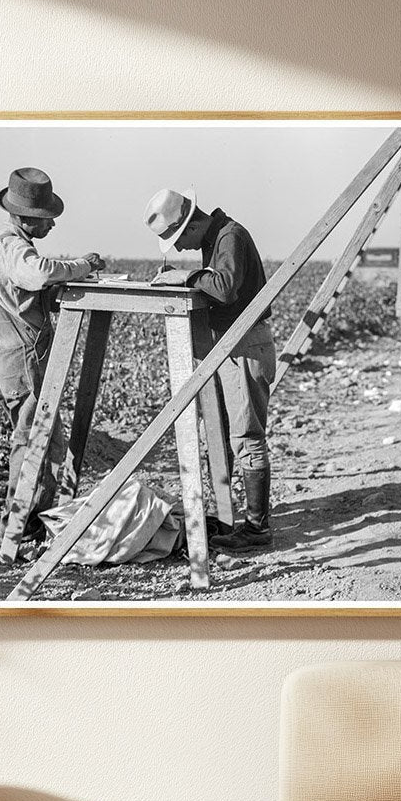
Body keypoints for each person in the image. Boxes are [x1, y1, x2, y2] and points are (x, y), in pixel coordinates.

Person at [143, 187, 275, 552]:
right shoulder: (216, 237)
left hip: (246, 344)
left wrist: (186, 277)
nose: (180, 248)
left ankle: (257, 528)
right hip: (234, 344)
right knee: (224, 432)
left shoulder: (229, 236)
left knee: (246, 435)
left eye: (177, 239)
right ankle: (236, 518)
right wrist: (191, 274)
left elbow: (225, 287)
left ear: (189, 226)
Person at [0, 167, 104, 559]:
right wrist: (83, 265)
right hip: (20, 360)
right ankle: (16, 532)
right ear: (25, 217)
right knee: (33, 441)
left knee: (48, 440)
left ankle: (34, 523)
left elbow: (25, 294)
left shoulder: (6, 245)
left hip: (15, 355)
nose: (51, 224)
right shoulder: (14, 249)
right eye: (47, 218)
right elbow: (38, 273)